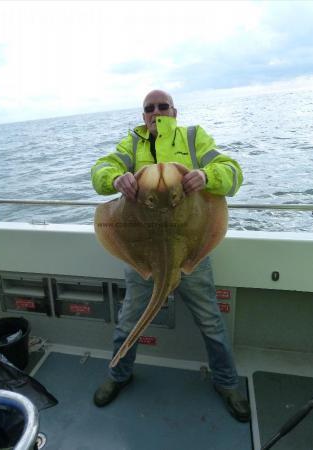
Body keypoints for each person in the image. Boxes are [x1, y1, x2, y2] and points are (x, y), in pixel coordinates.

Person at [90, 89, 251, 422]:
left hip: (190, 251)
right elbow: (101, 171)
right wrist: (116, 179)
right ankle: (118, 374)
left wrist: (207, 176)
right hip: (144, 256)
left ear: (175, 112)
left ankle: (227, 383)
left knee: (210, 319)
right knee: (129, 319)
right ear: (143, 115)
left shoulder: (194, 139)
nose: (156, 112)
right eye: (150, 108)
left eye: (163, 106)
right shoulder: (131, 145)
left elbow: (232, 172)